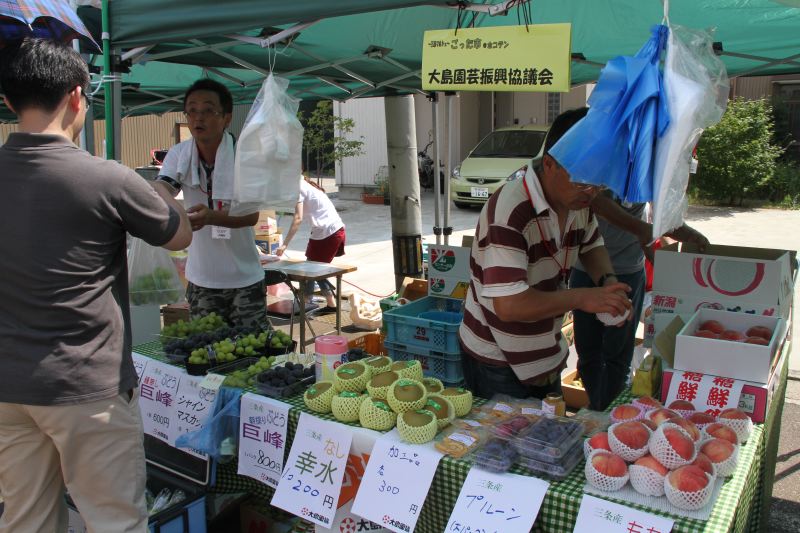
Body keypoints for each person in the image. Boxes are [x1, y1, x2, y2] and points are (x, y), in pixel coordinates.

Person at [0, 38, 192, 532]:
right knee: (114, 521)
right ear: (78, 97)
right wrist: (161, 189)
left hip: (9, 387)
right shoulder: (107, 179)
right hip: (88, 388)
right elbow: (180, 234)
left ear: (8, 101)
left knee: (25, 520)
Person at [458, 107, 632, 400]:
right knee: (504, 444)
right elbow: (509, 305)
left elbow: (591, 244)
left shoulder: (578, 203)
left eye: (599, 183)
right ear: (550, 163)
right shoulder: (511, 210)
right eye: (582, 181)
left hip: (545, 354)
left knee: (544, 439)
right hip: (498, 361)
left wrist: (607, 280)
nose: (590, 192)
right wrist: (584, 298)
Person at [570, 193, 709, 410]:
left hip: (628, 272)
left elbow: (658, 216)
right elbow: (596, 201)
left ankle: (607, 410)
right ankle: (596, 405)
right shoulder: (603, 166)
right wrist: (642, 229)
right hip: (587, 269)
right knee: (588, 350)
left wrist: (688, 235)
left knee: (618, 352)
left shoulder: (647, 168)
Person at [157, 79, 267, 328]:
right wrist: (160, 200)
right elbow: (164, 186)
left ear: (226, 118)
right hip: (202, 280)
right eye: (192, 110)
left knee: (252, 354)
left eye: (208, 110)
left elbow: (251, 217)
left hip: (245, 279)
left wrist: (211, 217)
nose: (198, 118)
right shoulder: (179, 155)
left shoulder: (245, 156)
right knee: (206, 353)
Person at [277, 176, 346, 310]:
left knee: (310, 269)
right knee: (314, 268)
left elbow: (298, 218)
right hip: (327, 231)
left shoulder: (298, 187)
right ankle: (330, 304)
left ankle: (306, 302)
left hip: (329, 232)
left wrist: (285, 244)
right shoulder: (303, 184)